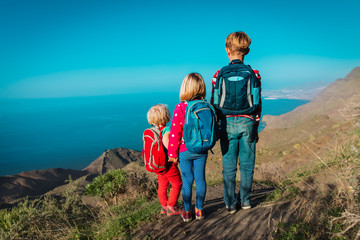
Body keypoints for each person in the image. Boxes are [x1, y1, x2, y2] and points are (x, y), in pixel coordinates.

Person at [210, 31, 262, 214]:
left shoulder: (219, 74)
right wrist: (255, 125)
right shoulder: (254, 73)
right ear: (246, 51)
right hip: (247, 123)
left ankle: (231, 204)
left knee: (229, 167)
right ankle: (246, 201)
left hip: (226, 124)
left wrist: (218, 126)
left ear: (227, 50)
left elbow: (214, 103)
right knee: (247, 166)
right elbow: (257, 104)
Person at [168, 73, 208, 222]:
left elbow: (175, 133)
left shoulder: (180, 107)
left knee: (187, 181)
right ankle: (200, 211)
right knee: (200, 179)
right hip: (202, 149)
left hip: (185, 151)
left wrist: (172, 154)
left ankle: (187, 212)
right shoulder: (205, 106)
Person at [146, 104, 183, 215]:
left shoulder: (152, 131)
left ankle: (164, 206)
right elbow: (167, 143)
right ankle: (171, 206)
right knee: (177, 183)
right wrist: (173, 155)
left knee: (162, 185)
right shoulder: (166, 129)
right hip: (168, 164)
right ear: (166, 116)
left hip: (158, 164)